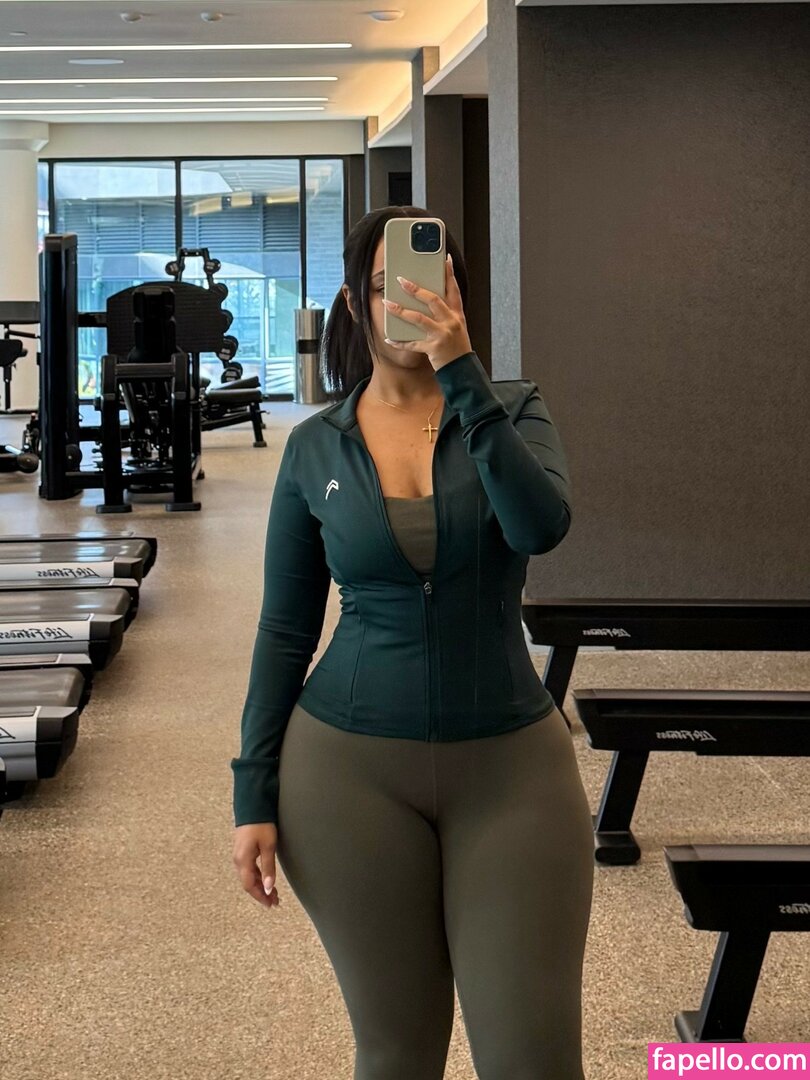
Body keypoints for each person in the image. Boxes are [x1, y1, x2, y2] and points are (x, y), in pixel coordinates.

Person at [231, 205, 594, 1080]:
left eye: (432, 282)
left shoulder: (514, 408)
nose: (409, 302)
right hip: (345, 773)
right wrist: (252, 795)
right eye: (386, 287)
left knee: (534, 1058)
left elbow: (539, 528)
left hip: (512, 769)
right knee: (395, 1053)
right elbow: (286, 628)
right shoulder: (315, 446)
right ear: (354, 304)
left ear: (458, 294)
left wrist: (460, 371)